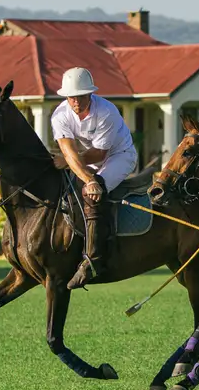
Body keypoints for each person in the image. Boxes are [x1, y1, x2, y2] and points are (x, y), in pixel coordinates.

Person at [51, 67, 138, 289]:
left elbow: (100, 153)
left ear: (90, 94)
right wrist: (72, 162)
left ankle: (94, 259)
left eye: (80, 96)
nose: (76, 102)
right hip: (85, 159)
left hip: (120, 156)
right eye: (71, 97)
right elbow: (68, 152)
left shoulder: (107, 111)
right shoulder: (60, 115)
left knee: (93, 192)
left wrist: (89, 180)